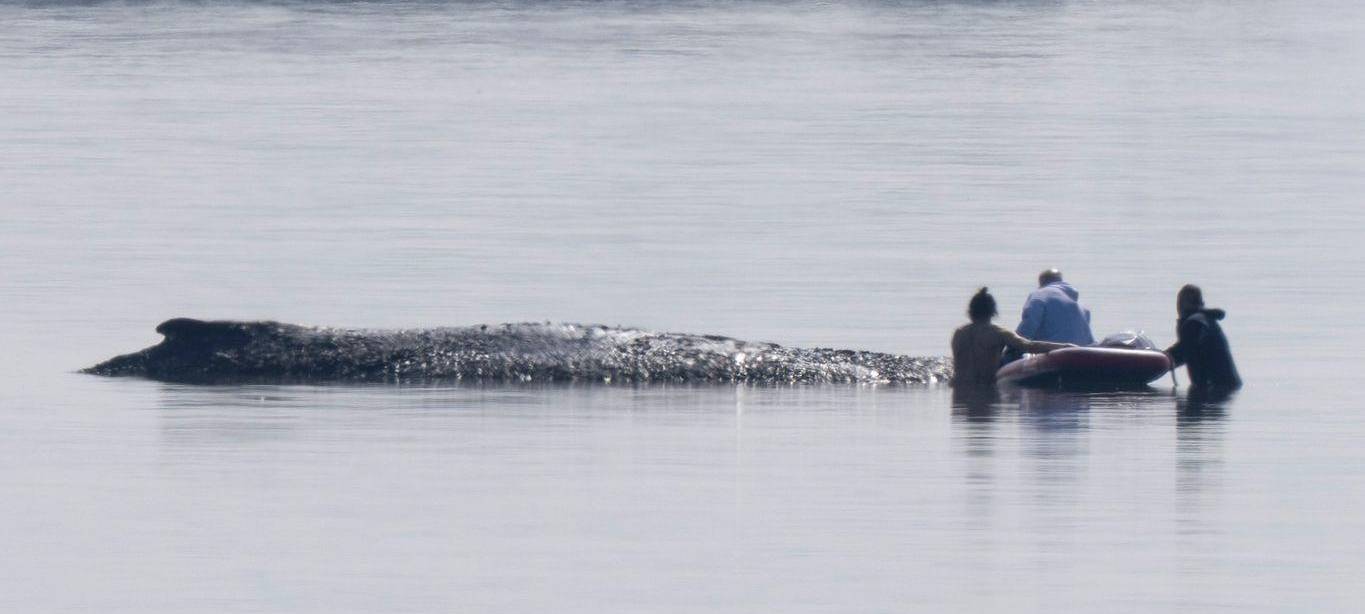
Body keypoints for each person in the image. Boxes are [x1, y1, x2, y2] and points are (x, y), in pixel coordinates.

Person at [952, 287, 1073, 387]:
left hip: (957, 388)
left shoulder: (958, 333)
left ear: (970, 311)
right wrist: (1065, 347)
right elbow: (1029, 346)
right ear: (993, 311)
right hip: (985, 387)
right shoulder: (998, 333)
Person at [1165, 284, 1242, 390]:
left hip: (1216, 390)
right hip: (1226, 388)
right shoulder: (1206, 320)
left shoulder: (1194, 323)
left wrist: (1159, 359)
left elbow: (1183, 350)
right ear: (1202, 303)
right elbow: (1185, 352)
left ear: (1180, 304)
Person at [1016, 268, 1095, 346]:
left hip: (1051, 352)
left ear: (1041, 282)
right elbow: (1089, 340)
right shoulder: (1082, 306)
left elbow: (1029, 325)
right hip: (1079, 353)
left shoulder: (1040, 295)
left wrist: (1013, 346)